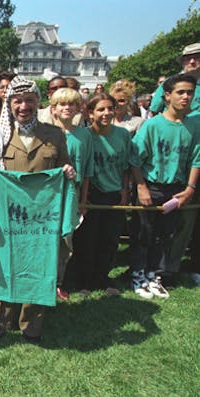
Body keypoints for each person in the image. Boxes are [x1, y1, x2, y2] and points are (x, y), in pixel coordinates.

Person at [0, 76, 76, 342]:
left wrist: (68, 171)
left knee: (39, 264)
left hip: (42, 218)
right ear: (9, 104)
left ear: (38, 102)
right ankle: (1, 324)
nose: (23, 106)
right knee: (6, 265)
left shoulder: (54, 134)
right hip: (8, 218)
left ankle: (31, 325)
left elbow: (65, 167)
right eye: (17, 101)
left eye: (29, 100)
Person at [131, 73, 199, 297]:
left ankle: (154, 273)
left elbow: (196, 159)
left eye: (190, 92)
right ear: (167, 96)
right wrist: (141, 187)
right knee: (144, 233)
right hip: (152, 186)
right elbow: (135, 159)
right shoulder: (152, 125)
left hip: (177, 188)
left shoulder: (194, 127)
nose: (186, 97)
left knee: (165, 234)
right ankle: (138, 273)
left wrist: (190, 188)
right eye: (181, 92)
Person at [70, 93, 145, 296]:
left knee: (110, 239)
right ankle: (83, 281)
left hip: (115, 193)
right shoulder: (84, 136)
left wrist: (125, 189)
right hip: (92, 194)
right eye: (101, 109)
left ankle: (102, 279)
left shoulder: (122, 135)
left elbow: (128, 164)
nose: (106, 113)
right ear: (90, 112)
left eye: (110, 108)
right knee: (87, 239)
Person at [49, 87, 94, 300]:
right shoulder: (46, 132)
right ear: (53, 108)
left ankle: (59, 282)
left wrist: (83, 200)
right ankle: (44, 280)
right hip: (49, 194)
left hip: (72, 193)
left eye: (72, 104)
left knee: (66, 239)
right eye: (62, 104)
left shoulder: (84, 135)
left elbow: (87, 171)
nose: (67, 108)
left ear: (78, 108)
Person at [149, 43, 200, 116]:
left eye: (197, 57)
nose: (192, 61)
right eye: (188, 58)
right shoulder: (169, 83)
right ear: (182, 62)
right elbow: (153, 111)